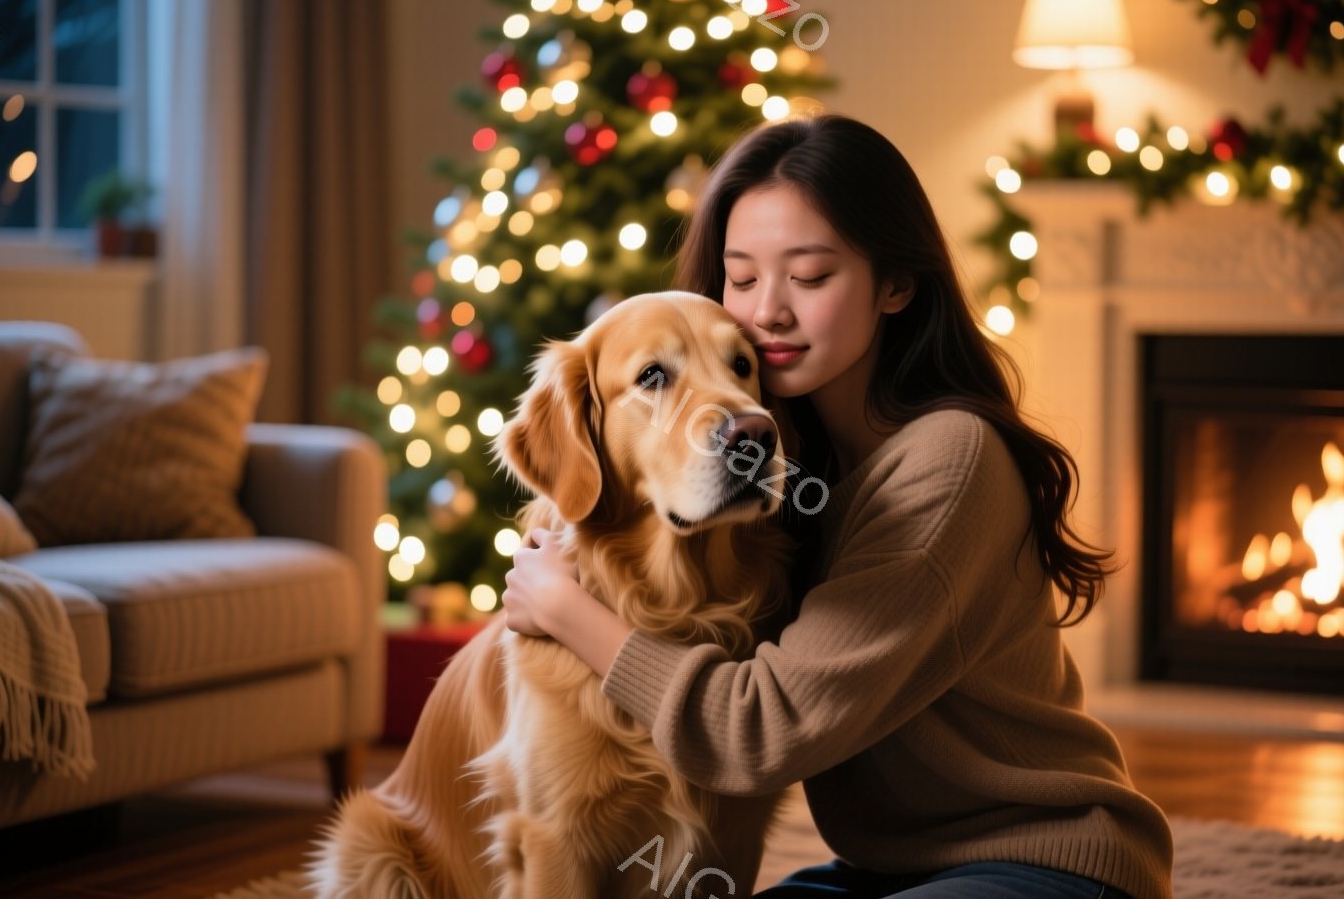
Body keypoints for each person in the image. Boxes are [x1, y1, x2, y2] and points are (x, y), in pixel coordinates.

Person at [501, 114, 1173, 899]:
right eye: (742, 278)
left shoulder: (947, 462)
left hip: (1048, 863)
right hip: (889, 873)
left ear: (896, 284)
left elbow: (760, 732)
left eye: (810, 277)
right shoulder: (786, 452)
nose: (766, 314)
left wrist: (564, 608)